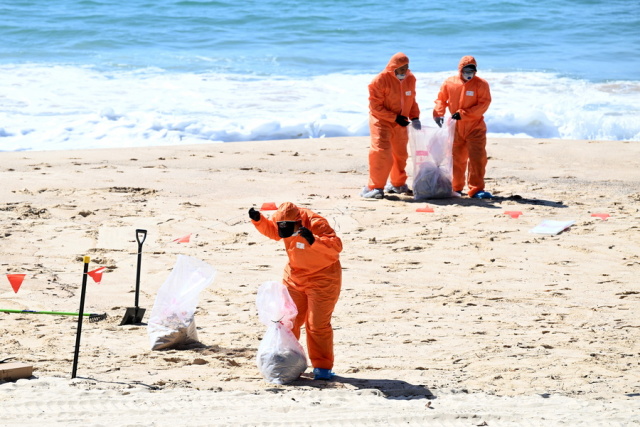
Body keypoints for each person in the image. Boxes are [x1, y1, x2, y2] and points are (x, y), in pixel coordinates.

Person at [249, 202, 342, 380]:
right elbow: (273, 231)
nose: (284, 229)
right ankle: (285, 359)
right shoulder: (282, 220)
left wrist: (314, 240)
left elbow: (336, 247)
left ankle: (322, 367)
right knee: (287, 320)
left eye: (288, 226)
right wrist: (259, 220)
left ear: (298, 221)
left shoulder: (316, 223)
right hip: (294, 277)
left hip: (323, 278)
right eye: (281, 225)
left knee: (317, 325)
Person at [361, 52, 421, 199]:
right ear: (393, 67)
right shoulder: (379, 81)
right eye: (401, 69)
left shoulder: (410, 78)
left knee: (400, 154)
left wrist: (415, 116)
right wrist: (395, 117)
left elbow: (411, 99)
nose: (404, 72)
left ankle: (397, 184)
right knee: (382, 153)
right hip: (381, 121)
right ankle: (375, 187)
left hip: (400, 123)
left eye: (406, 68)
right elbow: (375, 107)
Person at [433, 55, 492, 199]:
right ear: (460, 70)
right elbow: (441, 99)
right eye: (466, 70)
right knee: (456, 159)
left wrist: (464, 114)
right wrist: (438, 113)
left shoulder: (481, 84)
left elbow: (484, 104)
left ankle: (476, 189)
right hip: (456, 127)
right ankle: (456, 188)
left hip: (475, 126)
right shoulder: (450, 82)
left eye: (472, 70)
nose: (469, 73)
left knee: (477, 158)